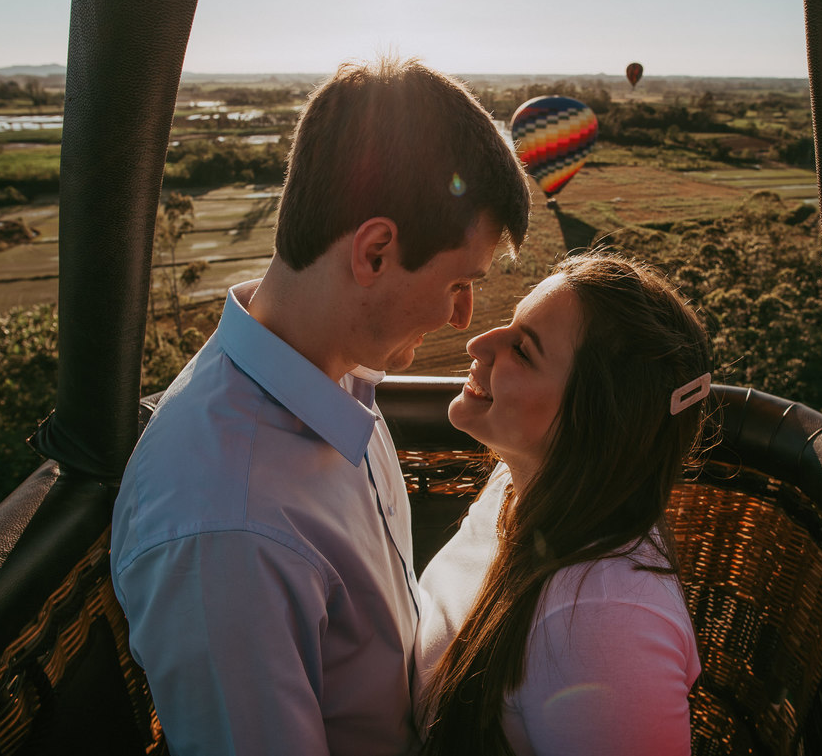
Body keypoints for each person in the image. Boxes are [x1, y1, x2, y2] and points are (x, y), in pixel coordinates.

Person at [110, 57, 530, 756]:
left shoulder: (333, 376)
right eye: (459, 281)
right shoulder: (227, 526)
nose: (463, 317)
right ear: (374, 252)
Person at [415, 251, 714, 756]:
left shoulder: (605, 625)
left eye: (523, 351)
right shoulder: (515, 489)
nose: (478, 343)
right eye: (509, 325)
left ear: (592, 419)